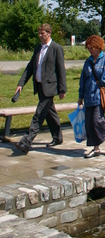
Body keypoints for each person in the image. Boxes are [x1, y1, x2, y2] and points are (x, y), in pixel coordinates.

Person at [14, 24, 67, 154]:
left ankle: (27, 141)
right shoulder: (38, 48)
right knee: (50, 113)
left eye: (42, 33)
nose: (40, 36)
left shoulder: (56, 48)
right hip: (39, 86)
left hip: (50, 87)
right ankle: (58, 137)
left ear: (49, 33)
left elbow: (61, 70)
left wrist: (62, 89)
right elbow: (30, 68)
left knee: (39, 114)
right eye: (39, 33)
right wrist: (21, 84)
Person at [78, 35, 105, 158]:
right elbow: (83, 80)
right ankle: (96, 148)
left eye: (92, 48)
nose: (90, 50)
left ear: (98, 47)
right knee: (89, 123)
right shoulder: (88, 61)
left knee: (97, 120)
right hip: (88, 96)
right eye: (89, 48)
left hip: (100, 96)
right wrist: (80, 96)